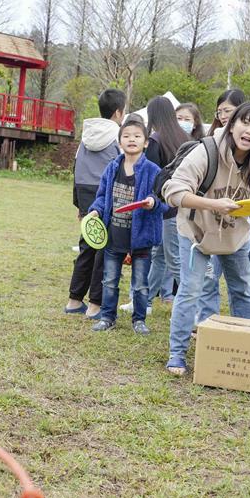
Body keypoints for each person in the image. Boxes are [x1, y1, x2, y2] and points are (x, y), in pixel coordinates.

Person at [163, 102, 250, 375]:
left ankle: (246, 349)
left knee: (243, 290)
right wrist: (214, 205)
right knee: (190, 290)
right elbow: (174, 192)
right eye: (245, 122)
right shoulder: (207, 151)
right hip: (196, 233)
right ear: (232, 123)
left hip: (235, 235)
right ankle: (177, 354)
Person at [87, 116, 167, 334]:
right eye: (126, 136)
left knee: (140, 284)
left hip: (141, 238)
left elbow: (165, 201)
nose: (132, 139)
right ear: (119, 141)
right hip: (114, 236)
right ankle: (107, 317)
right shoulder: (112, 168)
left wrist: (154, 202)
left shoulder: (153, 170)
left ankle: (139, 320)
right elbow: (102, 197)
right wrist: (95, 210)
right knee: (109, 280)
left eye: (137, 136)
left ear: (146, 142)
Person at [197, 89, 250, 322]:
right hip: (210, 224)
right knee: (208, 278)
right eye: (221, 111)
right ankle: (207, 323)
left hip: (241, 224)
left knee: (245, 280)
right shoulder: (208, 144)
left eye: (230, 110)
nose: (224, 115)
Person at [65, 89, 126, 318]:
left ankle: (74, 300)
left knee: (87, 244)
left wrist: (79, 205)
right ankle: (96, 305)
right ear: (119, 112)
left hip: (85, 191)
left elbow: (76, 166)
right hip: (107, 193)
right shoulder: (119, 136)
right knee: (105, 248)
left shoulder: (86, 135)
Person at [138, 96, 189, 312]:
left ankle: (193, 306)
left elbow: (151, 176)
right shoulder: (184, 137)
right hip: (184, 203)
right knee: (160, 256)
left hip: (165, 208)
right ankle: (145, 301)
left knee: (174, 259)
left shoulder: (156, 140)